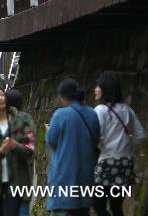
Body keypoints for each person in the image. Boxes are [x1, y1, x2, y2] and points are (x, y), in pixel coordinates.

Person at [93, 72, 146, 216]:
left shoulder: (100, 110)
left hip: (107, 163)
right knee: (117, 206)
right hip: (125, 164)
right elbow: (140, 136)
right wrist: (125, 143)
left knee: (97, 203)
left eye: (98, 86)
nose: (95, 89)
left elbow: (95, 137)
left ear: (106, 89)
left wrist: (104, 146)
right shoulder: (127, 110)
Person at [0, 85, 36, 216]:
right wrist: (0, 151)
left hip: (16, 179)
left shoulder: (23, 120)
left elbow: (30, 147)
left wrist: (15, 146)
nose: (0, 98)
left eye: (2, 95)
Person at [45, 79, 100, 216]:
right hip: (86, 174)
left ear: (63, 97)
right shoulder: (92, 114)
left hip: (64, 175)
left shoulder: (60, 114)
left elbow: (51, 140)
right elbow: (96, 139)